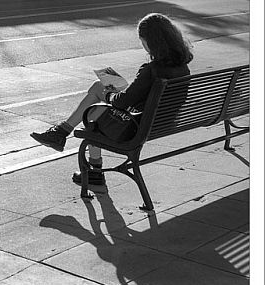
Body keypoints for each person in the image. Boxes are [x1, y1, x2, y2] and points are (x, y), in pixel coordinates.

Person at [31, 13, 193, 187]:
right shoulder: (182, 67)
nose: (142, 45)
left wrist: (109, 94)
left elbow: (120, 103)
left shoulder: (151, 69)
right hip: (161, 122)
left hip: (135, 128)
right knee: (97, 91)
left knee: (93, 112)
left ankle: (82, 156)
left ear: (151, 41)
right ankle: (62, 135)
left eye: (142, 40)